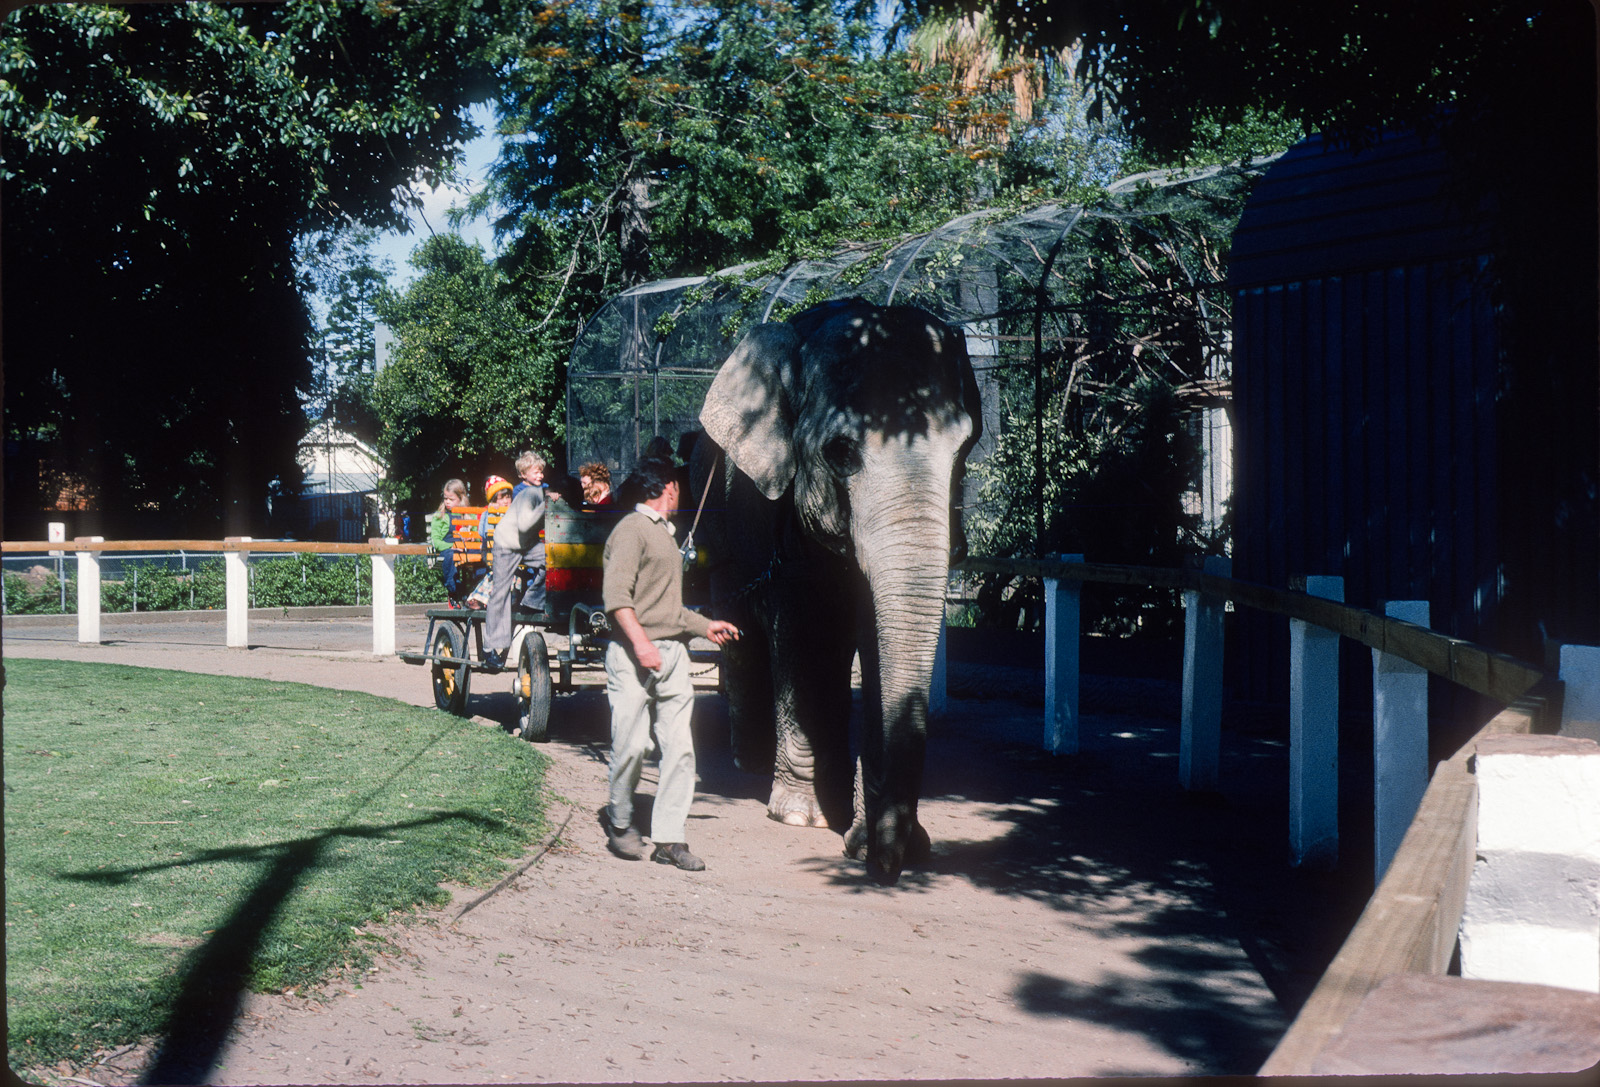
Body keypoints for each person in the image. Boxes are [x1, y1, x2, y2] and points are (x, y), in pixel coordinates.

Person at [600, 456, 739, 870]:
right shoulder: (631, 530)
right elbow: (617, 600)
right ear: (669, 488)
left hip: (672, 655)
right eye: (679, 486)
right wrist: (642, 644)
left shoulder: (665, 534)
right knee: (631, 744)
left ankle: (669, 838)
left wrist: (705, 626)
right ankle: (620, 821)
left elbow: (669, 609)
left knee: (680, 748)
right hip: (631, 655)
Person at [481, 470, 548, 670]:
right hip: (506, 546)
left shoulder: (533, 493)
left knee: (553, 560)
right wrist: (546, 505)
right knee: (500, 593)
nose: (505, 500)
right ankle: (490, 648)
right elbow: (525, 524)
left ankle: (531, 601)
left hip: (527, 546)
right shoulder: (525, 494)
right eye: (499, 497)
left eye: (506, 496)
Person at [431, 479, 471, 605]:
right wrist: (453, 545)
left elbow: (476, 534)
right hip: (448, 548)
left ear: (460, 499)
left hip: (464, 548)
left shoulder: (467, 516)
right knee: (451, 556)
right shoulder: (440, 516)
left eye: (451, 499)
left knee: (479, 554)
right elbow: (437, 542)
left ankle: (475, 589)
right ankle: (453, 590)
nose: (447, 502)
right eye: (445, 498)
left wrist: (470, 538)